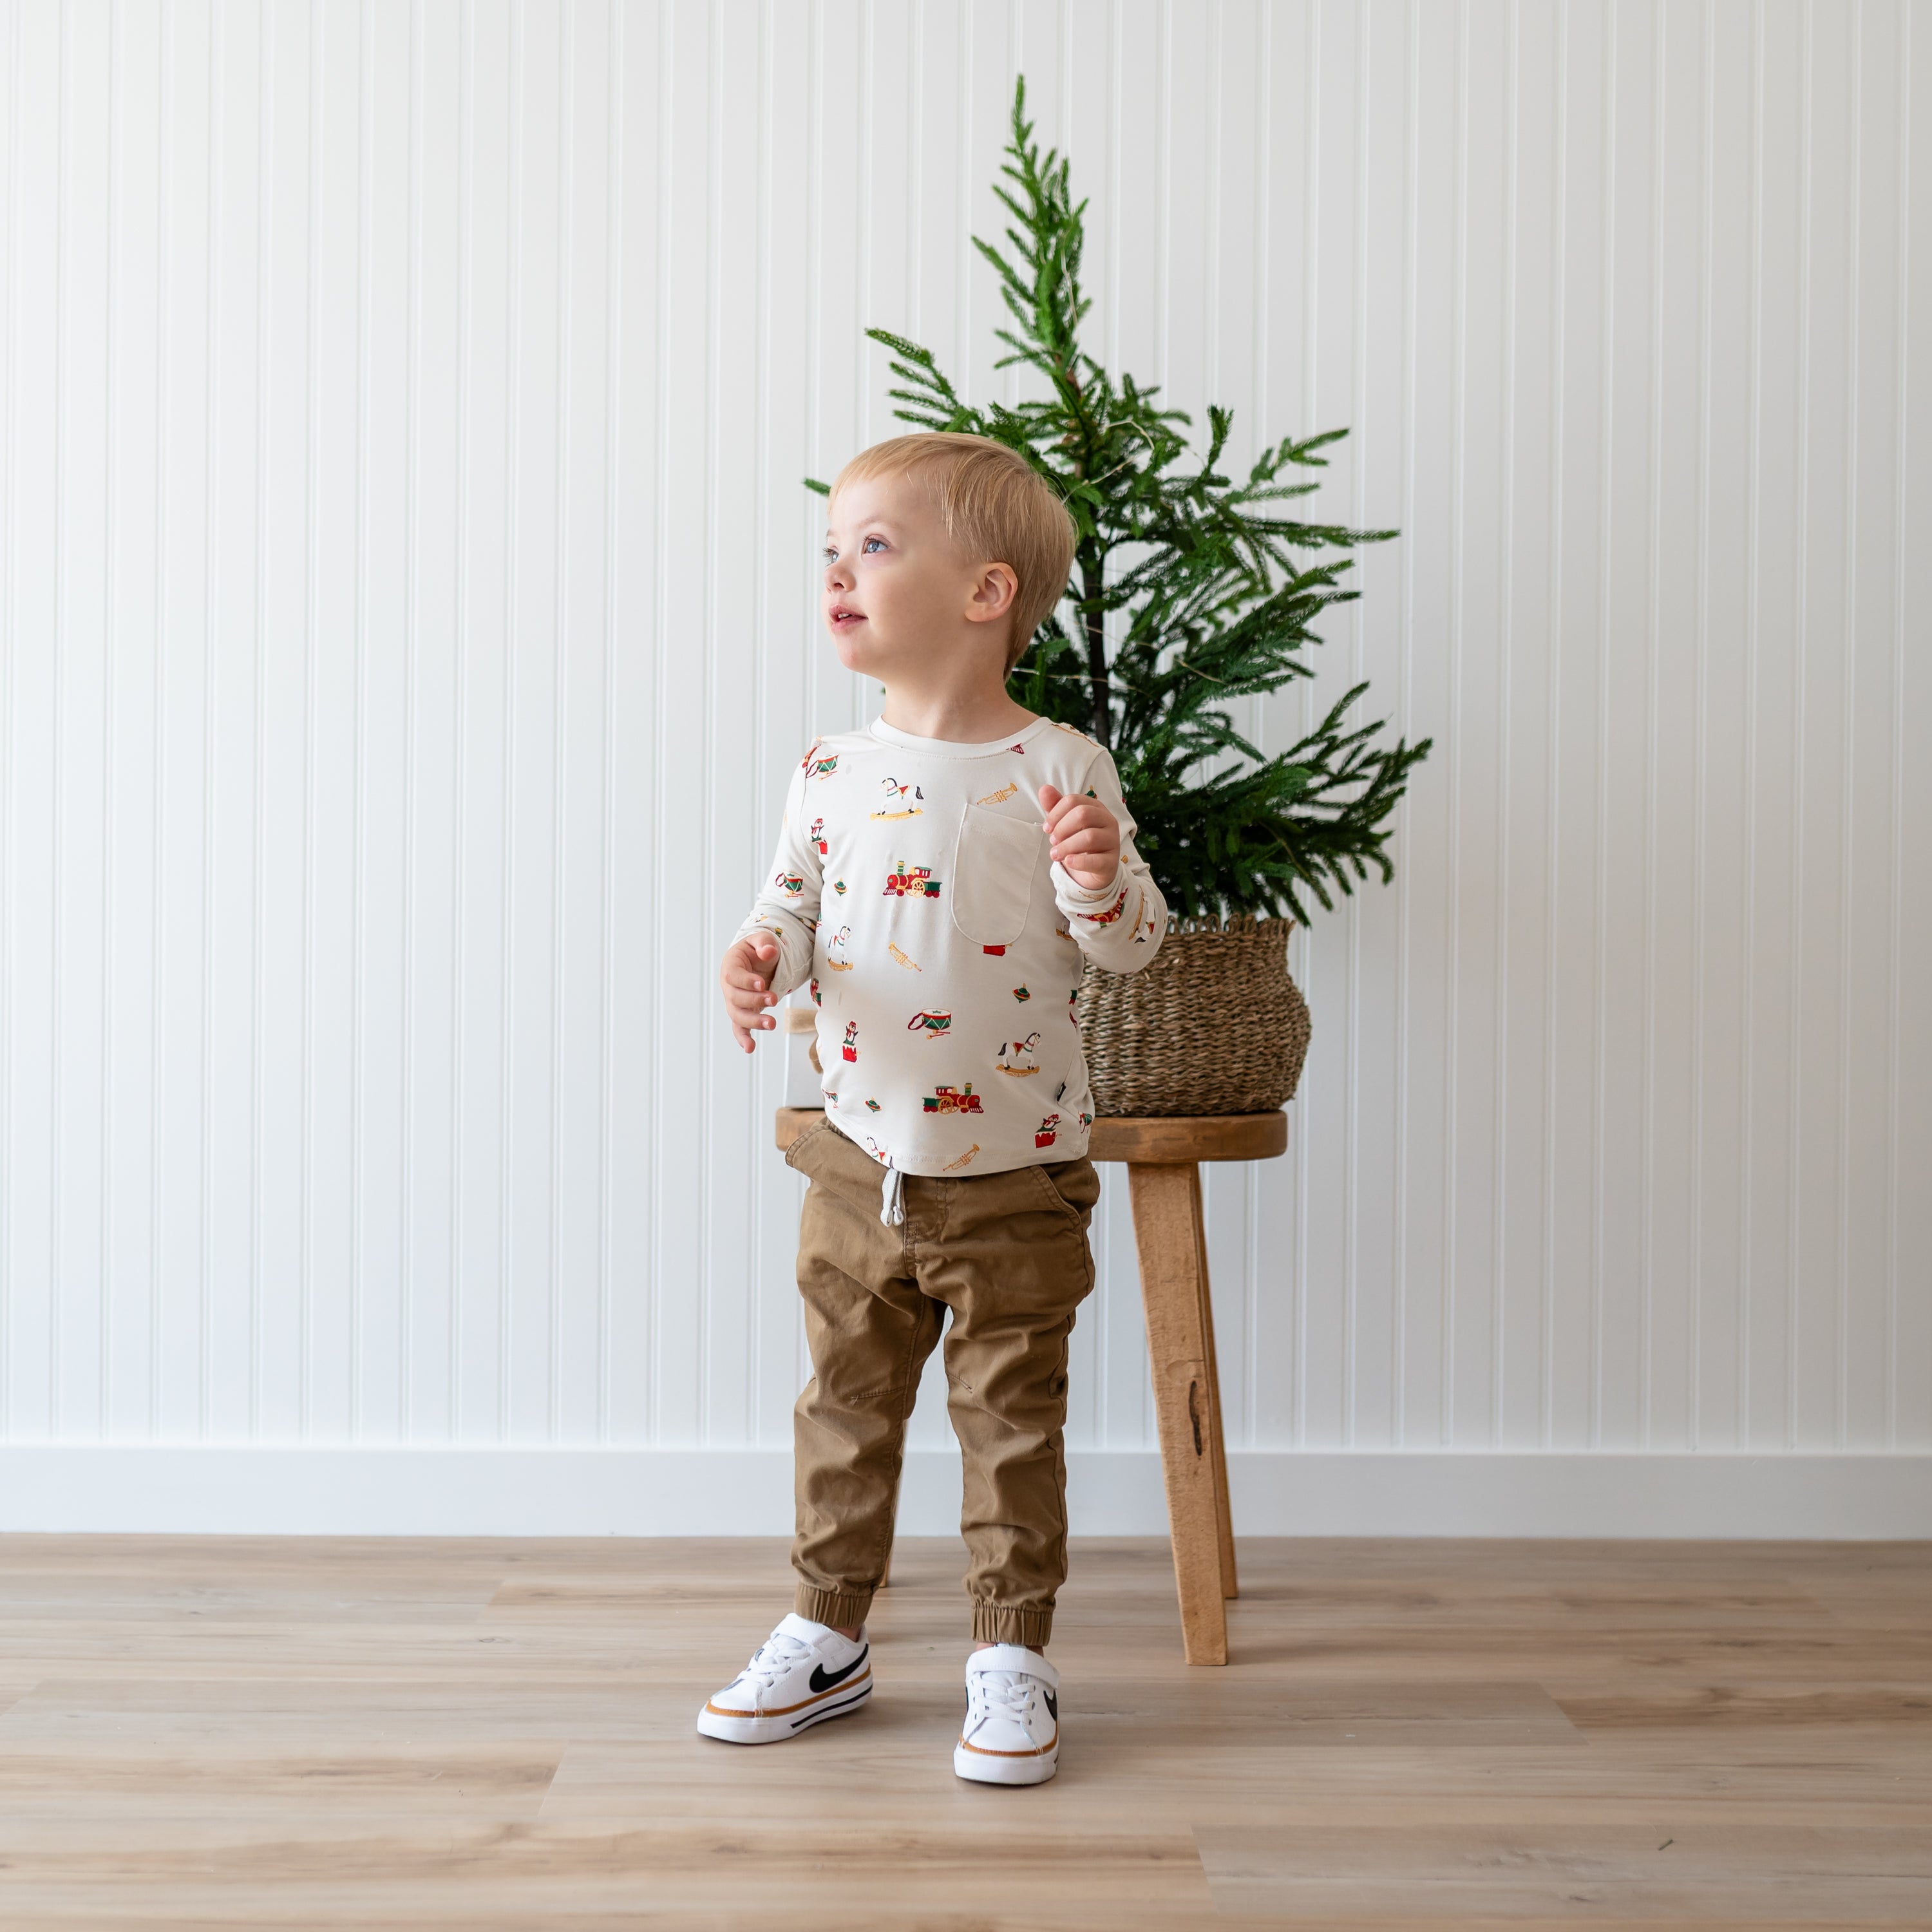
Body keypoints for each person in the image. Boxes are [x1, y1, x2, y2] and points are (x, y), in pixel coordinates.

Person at [701, 431, 1166, 1786]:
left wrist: (1093, 878)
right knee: (844, 1407)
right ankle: (824, 1632)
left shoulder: (1058, 769)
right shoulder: (829, 772)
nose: (839, 572)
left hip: (1015, 1172)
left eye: (875, 546)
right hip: (858, 1165)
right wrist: (754, 960)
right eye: (832, 552)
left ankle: (1010, 1651)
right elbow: (789, 909)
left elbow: (1131, 947)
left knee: (1011, 1419)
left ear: (986, 593)